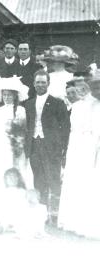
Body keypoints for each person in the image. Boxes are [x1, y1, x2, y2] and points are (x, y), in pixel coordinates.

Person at [25, 70, 70, 226]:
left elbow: (65, 127)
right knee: (39, 181)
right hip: (34, 146)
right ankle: (42, 214)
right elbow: (27, 127)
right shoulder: (28, 103)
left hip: (51, 147)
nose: (40, 85)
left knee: (54, 180)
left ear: (48, 84)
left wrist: (62, 148)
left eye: (43, 82)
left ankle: (55, 216)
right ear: (33, 84)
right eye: (37, 82)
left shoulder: (58, 103)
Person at [58, 69, 100, 238]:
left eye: (83, 83)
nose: (80, 87)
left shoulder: (96, 104)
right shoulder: (75, 106)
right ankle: (72, 220)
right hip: (75, 146)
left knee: (87, 180)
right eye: (77, 84)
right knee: (73, 179)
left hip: (89, 146)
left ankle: (86, 221)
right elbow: (71, 130)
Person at [0, 76, 32, 188]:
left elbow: (21, 130)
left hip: (15, 146)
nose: (6, 97)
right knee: (1, 169)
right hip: (1, 146)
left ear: (14, 96)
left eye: (9, 95)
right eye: (4, 95)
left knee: (17, 169)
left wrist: (17, 146)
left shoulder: (20, 110)